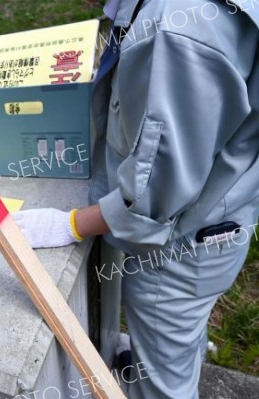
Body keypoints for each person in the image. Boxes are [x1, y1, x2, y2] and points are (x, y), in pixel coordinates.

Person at [15, 0, 259, 398]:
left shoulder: (179, 30)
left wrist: (71, 224)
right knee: (183, 335)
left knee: (165, 385)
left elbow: (155, 193)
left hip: (176, 254)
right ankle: (172, 359)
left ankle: (163, 374)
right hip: (224, 219)